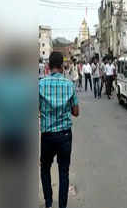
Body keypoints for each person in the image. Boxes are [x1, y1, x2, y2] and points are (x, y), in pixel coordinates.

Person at [39, 51, 79, 208]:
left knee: (45, 168)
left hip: (47, 136)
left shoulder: (40, 84)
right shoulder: (69, 85)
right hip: (64, 135)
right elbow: (76, 112)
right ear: (62, 66)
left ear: (48, 66)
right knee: (64, 172)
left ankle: (48, 203)